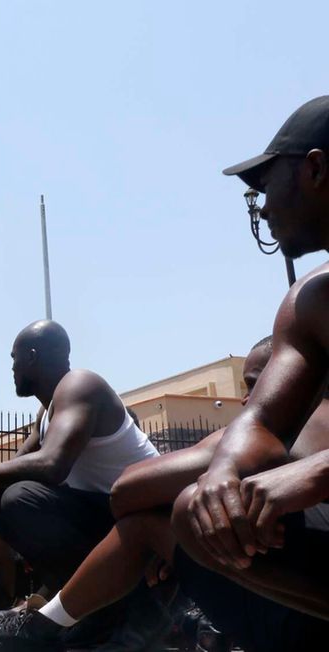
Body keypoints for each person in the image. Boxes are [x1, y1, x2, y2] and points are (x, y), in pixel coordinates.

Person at [0, 335, 329, 649]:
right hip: (292, 607)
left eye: (256, 385)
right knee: (178, 513)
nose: (249, 402)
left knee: (161, 518)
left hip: (292, 621)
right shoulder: (47, 414)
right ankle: (137, 619)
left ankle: (51, 626)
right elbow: (22, 464)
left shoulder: (288, 426)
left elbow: (125, 487)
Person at [172, 96, 329, 647]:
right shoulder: (311, 300)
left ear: (315, 169)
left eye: (265, 187)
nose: (261, 209)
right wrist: (223, 478)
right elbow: (260, 418)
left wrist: (312, 475)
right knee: (199, 510)